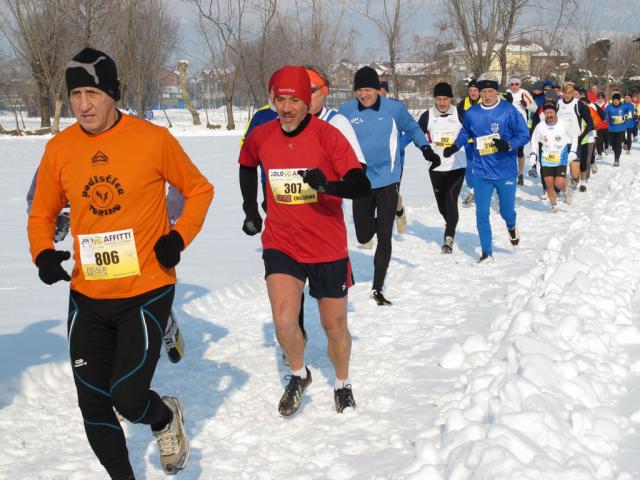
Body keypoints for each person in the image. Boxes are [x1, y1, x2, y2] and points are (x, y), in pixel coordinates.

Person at [27, 48, 214, 478]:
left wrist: (178, 237)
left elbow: (200, 190)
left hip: (146, 288)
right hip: (88, 294)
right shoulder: (59, 149)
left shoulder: (152, 140)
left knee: (128, 400)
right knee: (92, 399)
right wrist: (42, 252)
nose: (83, 105)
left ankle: (165, 417)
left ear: (113, 94)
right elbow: (42, 213)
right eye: (75, 94)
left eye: (92, 92)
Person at [238, 65, 371, 416]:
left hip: (326, 246)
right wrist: (251, 208)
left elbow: (361, 184)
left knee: (334, 327)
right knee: (284, 320)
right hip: (282, 242)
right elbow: (247, 163)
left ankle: (342, 382)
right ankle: (299, 374)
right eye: (279, 100)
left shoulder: (328, 136)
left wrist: (327, 185)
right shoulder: (262, 134)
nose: (286, 108)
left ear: (307, 101)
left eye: (293, 100)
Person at [27, 172, 187, 365]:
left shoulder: (140, 143)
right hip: (93, 237)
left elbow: (182, 183)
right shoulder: (65, 145)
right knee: (105, 298)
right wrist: (57, 221)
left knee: (139, 286)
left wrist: (167, 215)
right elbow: (37, 195)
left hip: (137, 226)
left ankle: (161, 317)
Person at [339, 66, 438, 305]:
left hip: (388, 179)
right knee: (363, 234)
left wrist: (425, 148)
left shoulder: (394, 109)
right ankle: (391, 216)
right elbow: (332, 138)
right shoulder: (346, 111)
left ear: (377, 89)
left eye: (369, 89)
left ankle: (377, 287)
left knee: (384, 235)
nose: (364, 94)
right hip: (359, 181)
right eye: (360, 90)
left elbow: (414, 129)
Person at [444, 72, 530, 264]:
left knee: (506, 211)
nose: (487, 95)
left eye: (491, 91)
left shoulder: (508, 110)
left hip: (505, 170)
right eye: (484, 91)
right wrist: (454, 146)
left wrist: (508, 144)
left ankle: (512, 225)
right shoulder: (472, 113)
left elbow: (524, 135)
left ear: (496, 92)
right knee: (481, 212)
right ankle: (486, 252)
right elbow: (465, 132)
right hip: (482, 170)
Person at [418, 82, 466, 253]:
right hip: (436, 167)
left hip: (457, 165)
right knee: (442, 206)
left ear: (451, 99)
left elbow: (470, 132)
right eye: (438, 99)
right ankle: (451, 222)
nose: (442, 102)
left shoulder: (460, 114)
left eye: (445, 99)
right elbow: (418, 135)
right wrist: (426, 151)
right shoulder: (427, 116)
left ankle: (449, 237)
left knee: (450, 199)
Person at [529, 100, 578, 212]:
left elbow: (574, 137)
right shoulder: (540, 126)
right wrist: (533, 153)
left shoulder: (563, 124)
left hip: (561, 157)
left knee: (558, 184)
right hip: (546, 158)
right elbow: (534, 141)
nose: (549, 115)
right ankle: (554, 205)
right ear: (544, 114)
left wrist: (573, 151)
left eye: (551, 112)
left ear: (555, 112)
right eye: (547, 113)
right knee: (549, 183)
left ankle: (565, 189)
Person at [377, 78, 412, 235]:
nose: (376, 93)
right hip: (373, 161)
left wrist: (399, 145)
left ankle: (399, 212)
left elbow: (412, 130)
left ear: (386, 91)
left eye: (379, 89)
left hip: (395, 161)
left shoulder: (397, 108)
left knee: (391, 195)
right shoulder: (365, 109)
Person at [557, 84, 594, 192]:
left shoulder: (578, 104)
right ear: (562, 93)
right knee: (560, 166)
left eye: (569, 93)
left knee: (574, 172)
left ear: (573, 93)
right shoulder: (558, 104)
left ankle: (576, 179)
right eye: (565, 93)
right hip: (560, 140)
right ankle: (558, 187)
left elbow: (590, 123)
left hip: (574, 141)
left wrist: (581, 136)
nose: (567, 95)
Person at [507, 75, 537, 185]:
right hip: (508, 125)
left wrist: (526, 105)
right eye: (512, 84)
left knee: (520, 150)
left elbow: (535, 108)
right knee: (509, 149)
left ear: (520, 84)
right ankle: (510, 172)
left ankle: (520, 173)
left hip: (521, 125)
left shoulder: (524, 93)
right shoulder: (506, 93)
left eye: (517, 84)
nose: (514, 86)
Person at [457, 79, 480, 207]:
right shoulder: (462, 104)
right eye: (470, 90)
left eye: (475, 90)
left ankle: (487, 191)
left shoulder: (485, 102)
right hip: (468, 142)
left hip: (482, 141)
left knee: (483, 166)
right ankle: (472, 191)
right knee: (469, 167)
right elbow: (461, 122)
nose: (473, 93)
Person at [605, 92, 627, 167]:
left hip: (621, 129)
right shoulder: (608, 107)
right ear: (612, 100)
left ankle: (616, 159)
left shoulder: (624, 106)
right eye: (614, 100)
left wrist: (626, 116)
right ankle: (617, 153)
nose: (615, 101)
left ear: (619, 100)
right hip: (612, 129)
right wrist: (609, 119)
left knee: (618, 144)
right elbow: (606, 115)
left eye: (617, 100)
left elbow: (629, 113)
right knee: (613, 144)